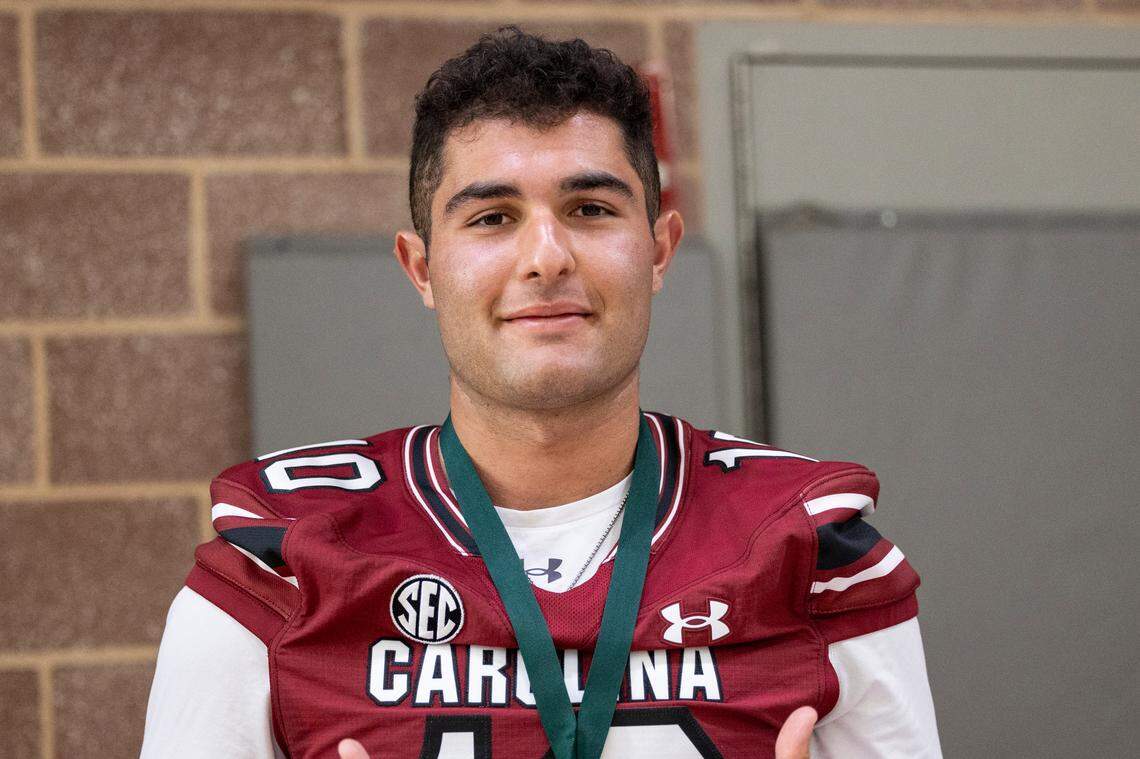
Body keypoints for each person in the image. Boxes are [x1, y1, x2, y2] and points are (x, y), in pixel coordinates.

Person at [141, 27, 941, 759]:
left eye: (590, 209)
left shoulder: (812, 553)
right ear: (422, 269)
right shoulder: (282, 563)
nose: (546, 256)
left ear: (659, 249)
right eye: (492, 218)